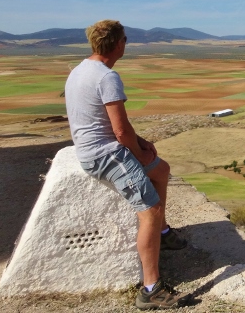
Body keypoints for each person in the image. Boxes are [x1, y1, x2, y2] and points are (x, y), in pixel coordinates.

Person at [65, 20, 186, 310]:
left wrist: (141, 142)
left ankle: (164, 234)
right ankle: (151, 288)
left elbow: (114, 124)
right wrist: (139, 152)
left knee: (162, 169)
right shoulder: (107, 77)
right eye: (125, 40)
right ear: (119, 44)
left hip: (97, 147)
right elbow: (119, 132)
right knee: (151, 209)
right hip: (105, 154)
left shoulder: (80, 70)